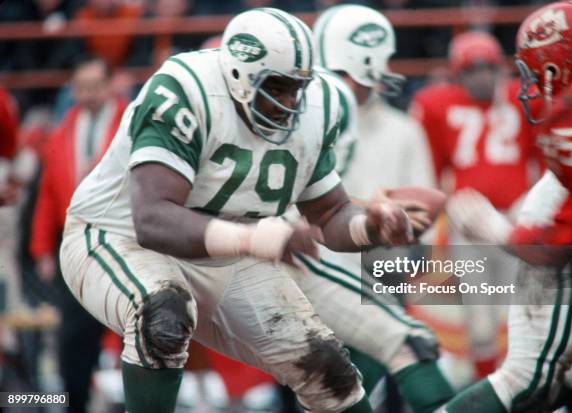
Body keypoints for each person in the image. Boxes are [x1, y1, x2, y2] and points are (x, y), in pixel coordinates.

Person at [59, 8, 415, 413]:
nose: (290, 101)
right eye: (277, 87)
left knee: (328, 369)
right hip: (115, 237)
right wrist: (251, 238)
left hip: (229, 251)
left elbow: (330, 214)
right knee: (163, 312)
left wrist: (370, 226)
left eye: (297, 87)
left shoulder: (315, 110)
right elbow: (153, 220)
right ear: (238, 76)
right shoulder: (186, 89)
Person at [284, 5, 454, 413]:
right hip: (307, 273)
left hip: (377, 270)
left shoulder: (402, 130)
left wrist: (393, 222)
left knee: (401, 355)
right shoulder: (299, 122)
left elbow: (420, 221)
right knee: (308, 386)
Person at [444, 1, 572, 411]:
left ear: (555, 71)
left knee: (528, 374)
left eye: (535, 74)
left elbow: (558, 243)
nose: (529, 86)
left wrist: (497, 230)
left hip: (533, 226)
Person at [409, 30, 540, 379]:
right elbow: (433, 170)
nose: (481, 76)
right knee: (481, 323)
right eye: (471, 70)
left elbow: (542, 159)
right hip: (468, 221)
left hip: (517, 218)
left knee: (526, 315)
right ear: (457, 74)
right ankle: (489, 391)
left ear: (500, 68)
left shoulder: (521, 96)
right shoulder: (436, 104)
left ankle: (530, 388)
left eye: (487, 68)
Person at [30, 57, 126, 413]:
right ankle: (75, 404)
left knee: (129, 333)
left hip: (122, 243)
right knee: (73, 337)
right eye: (80, 87)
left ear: (109, 85)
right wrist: (41, 249)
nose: (87, 94)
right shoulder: (63, 131)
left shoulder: (128, 125)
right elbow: (47, 195)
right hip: (75, 249)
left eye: (93, 86)